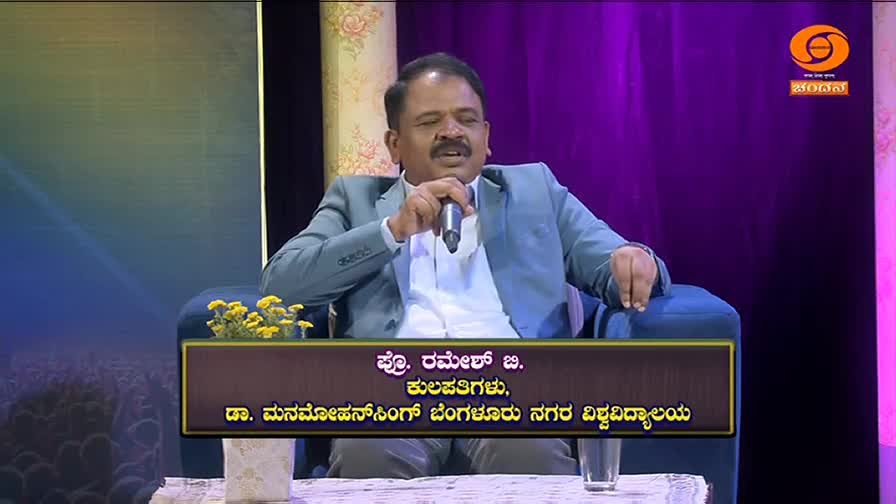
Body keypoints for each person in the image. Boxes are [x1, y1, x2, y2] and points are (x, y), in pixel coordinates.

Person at [260, 52, 671, 478]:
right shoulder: (355, 199)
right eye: (429, 121)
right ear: (394, 144)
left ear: (486, 135)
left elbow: (615, 263)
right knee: (370, 455)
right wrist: (391, 231)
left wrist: (636, 261)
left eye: (466, 119)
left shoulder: (536, 191)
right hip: (392, 389)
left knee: (530, 457)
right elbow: (280, 287)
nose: (451, 132)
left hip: (512, 386)